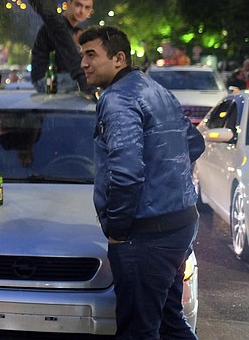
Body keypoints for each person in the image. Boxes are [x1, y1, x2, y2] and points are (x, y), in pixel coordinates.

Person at [79, 25, 203, 339]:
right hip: (181, 224)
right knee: (169, 321)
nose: (83, 63)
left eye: (91, 54)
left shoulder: (118, 98)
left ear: (118, 58)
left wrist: (118, 229)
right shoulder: (156, 89)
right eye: (83, 55)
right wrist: (166, 177)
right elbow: (194, 143)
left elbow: (126, 172)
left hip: (146, 236)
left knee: (139, 330)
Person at [30, 0, 94, 92]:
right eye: (78, 5)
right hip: (46, 80)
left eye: (87, 7)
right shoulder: (58, 26)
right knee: (97, 80)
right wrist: (85, 82)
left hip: (53, 77)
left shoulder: (67, 28)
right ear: (68, 4)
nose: (82, 11)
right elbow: (71, 59)